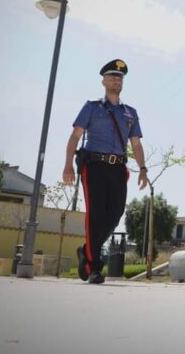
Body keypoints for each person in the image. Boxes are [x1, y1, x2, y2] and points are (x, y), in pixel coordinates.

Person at [63, 59, 148, 284]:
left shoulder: (130, 112)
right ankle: (93, 268)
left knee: (116, 213)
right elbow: (75, 136)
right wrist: (67, 165)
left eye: (119, 77)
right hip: (95, 167)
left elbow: (136, 144)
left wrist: (143, 169)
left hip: (118, 168)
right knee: (96, 215)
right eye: (111, 77)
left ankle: (86, 249)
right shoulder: (92, 107)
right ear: (103, 81)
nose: (116, 80)